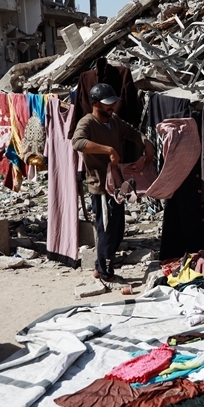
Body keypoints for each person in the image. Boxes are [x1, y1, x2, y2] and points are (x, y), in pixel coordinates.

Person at [71, 83, 155, 281]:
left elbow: (132, 132)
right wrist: (108, 150)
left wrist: (145, 142)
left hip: (116, 185)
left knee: (117, 228)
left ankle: (103, 264)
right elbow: (77, 142)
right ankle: (103, 269)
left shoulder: (114, 120)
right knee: (106, 228)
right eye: (108, 104)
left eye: (113, 104)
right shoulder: (87, 122)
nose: (112, 108)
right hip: (100, 185)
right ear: (96, 104)